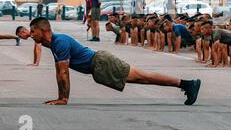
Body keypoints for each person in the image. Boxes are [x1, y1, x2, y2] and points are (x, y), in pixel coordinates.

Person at [29, 17, 201, 106]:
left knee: (144, 77)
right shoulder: (54, 43)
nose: (31, 35)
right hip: (100, 64)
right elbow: (60, 73)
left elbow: (63, 72)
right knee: (143, 77)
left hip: (101, 62)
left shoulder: (59, 42)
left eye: (33, 31)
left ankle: (187, 84)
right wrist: (61, 97)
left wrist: (63, 99)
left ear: (43, 30)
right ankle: (186, 84)